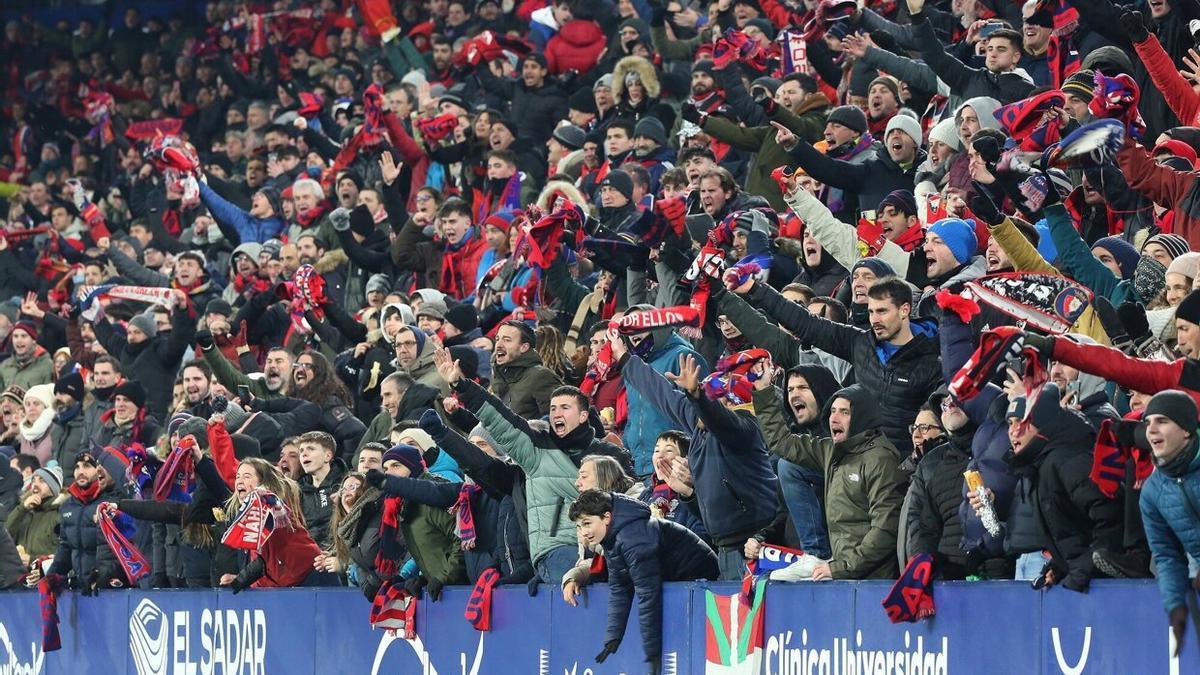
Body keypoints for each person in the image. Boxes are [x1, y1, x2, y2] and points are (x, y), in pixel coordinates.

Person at [752, 360, 908, 580]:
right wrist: (764, 391)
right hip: (839, 572)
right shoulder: (831, 450)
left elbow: (885, 530)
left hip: (873, 579)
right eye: (832, 411)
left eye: (844, 412)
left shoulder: (880, 459)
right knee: (788, 466)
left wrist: (841, 568)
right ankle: (816, 554)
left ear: (862, 417)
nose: (834, 417)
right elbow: (783, 443)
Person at [570, 489, 718, 672]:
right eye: (579, 526)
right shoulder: (613, 538)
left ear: (606, 517)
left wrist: (653, 654)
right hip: (679, 579)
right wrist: (613, 638)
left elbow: (648, 595)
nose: (583, 532)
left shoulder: (633, 537)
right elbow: (620, 590)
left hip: (701, 578)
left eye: (587, 523)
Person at [1138, 390, 1200, 653]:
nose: (1151, 430)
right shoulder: (1152, 491)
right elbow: (1166, 555)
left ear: (1186, 430)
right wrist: (1175, 605)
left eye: (1162, 421)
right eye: (1148, 422)